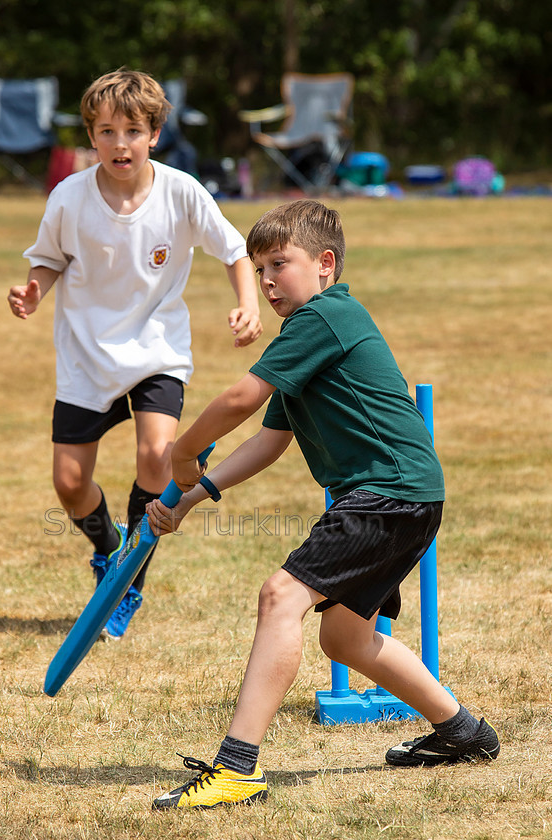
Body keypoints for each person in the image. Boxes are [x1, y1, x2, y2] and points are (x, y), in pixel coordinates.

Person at [147, 199, 499, 809]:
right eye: (258, 270)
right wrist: (193, 498)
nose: (266, 281)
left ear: (325, 264)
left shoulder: (327, 316)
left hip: (387, 492)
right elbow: (269, 440)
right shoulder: (305, 338)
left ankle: (236, 769)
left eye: (279, 264)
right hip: (405, 495)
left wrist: (184, 451)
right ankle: (462, 731)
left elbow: (239, 399)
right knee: (344, 638)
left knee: (281, 595)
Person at [7, 69, 262, 640]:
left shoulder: (181, 191)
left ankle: (127, 584)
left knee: (158, 456)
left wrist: (248, 302)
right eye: (105, 131)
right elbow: (48, 259)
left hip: (156, 350)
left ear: (154, 134)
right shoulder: (69, 196)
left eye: (131, 131)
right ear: (90, 137)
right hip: (85, 355)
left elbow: (235, 249)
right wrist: (33, 289)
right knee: (70, 484)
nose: (118, 143)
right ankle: (108, 549)